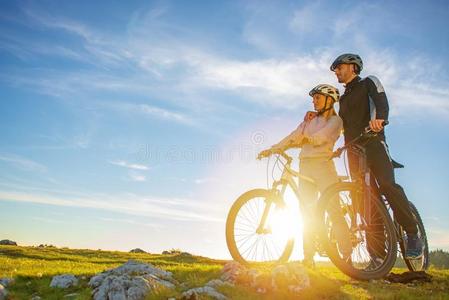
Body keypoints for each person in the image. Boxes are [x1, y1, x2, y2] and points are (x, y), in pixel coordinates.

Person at [330, 53, 423, 263]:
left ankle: (412, 233)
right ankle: (378, 256)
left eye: (339, 66)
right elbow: (340, 126)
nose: (336, 71)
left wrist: (380, 119)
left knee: (388, 186)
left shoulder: (369, 82)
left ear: (353, 66)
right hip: (353, 152)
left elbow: (381, 100)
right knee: (366, 201)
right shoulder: (342, 99)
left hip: (374, 143)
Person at [258, 84, 352, 268]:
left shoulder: (336, 121)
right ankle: (308, 258)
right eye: (313, 98)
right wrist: (273, 149)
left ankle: (346, 255)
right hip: (305, 167)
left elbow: (323, 136)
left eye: (318, 97)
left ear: (329, 100)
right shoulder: (309, 120)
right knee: (306, 212)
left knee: (333, 210)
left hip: (324, 167)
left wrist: (307, 138)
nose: (314, 101)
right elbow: (293, 136)